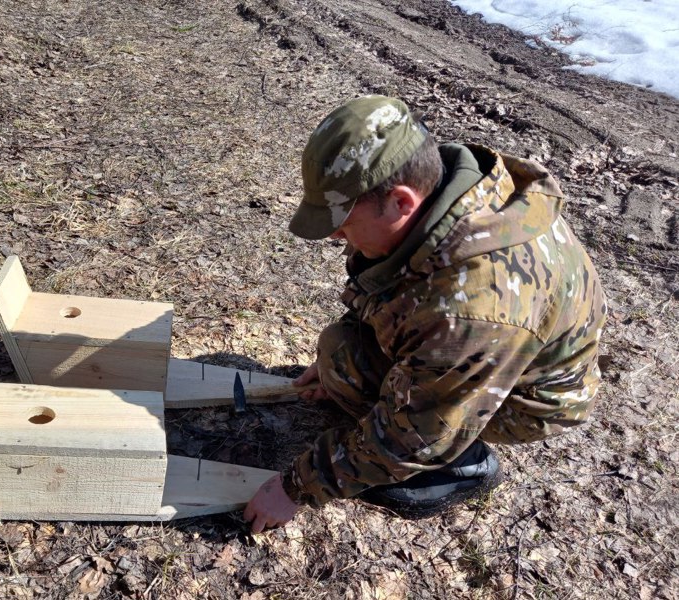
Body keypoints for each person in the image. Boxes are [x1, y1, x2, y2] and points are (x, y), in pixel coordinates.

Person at [243, 96, 607, 534]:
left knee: (375, 396)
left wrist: (296, 487)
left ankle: (460, 466)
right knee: (340, 356)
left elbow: (414, 432)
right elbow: (399, 284)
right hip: (488, 349)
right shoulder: (448, 190)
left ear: (401, 201)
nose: (336, 235)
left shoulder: (473, 307)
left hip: (530, 401)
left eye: (342, 221)